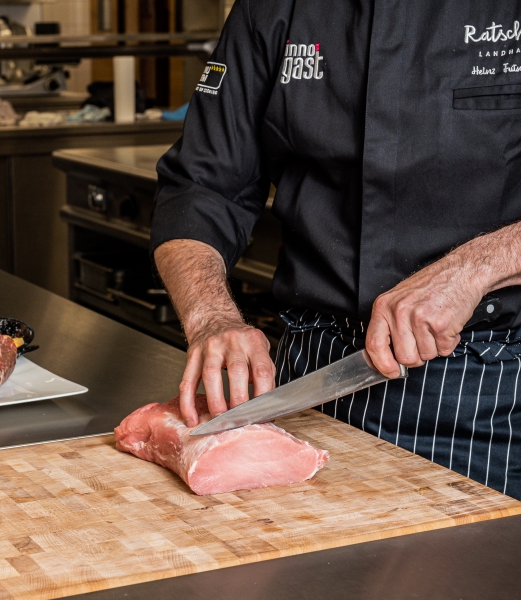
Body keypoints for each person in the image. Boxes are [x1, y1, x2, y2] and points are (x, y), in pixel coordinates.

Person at [151, 0, 521, 499]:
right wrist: (211, 317)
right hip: (311, 379)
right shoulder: (272, 8)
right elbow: (202, 185)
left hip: (490, 386)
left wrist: (473, 269)